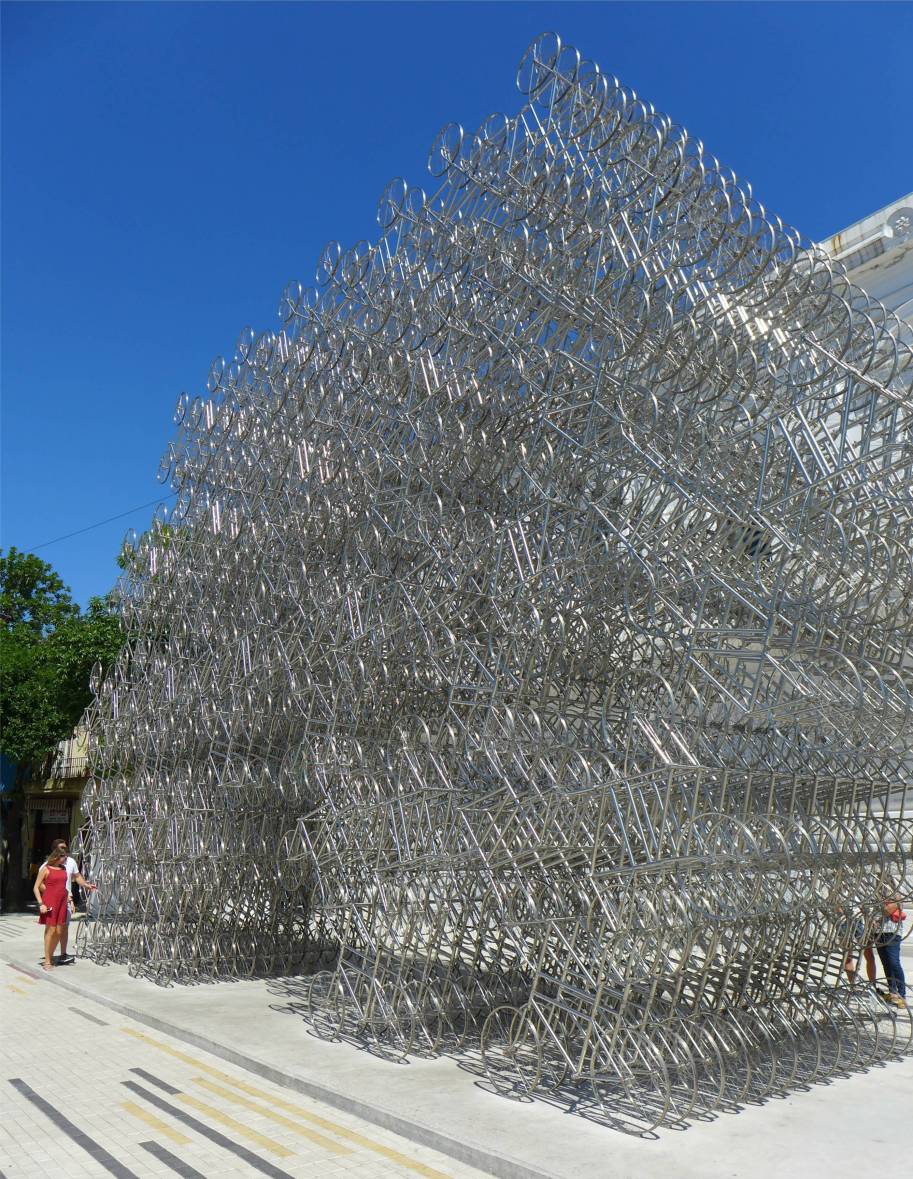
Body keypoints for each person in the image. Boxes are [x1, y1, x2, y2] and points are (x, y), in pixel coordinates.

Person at [47, 837, 97, 964]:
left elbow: (77, 876)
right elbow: (41, 884)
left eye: (65, 848)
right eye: (61, 848)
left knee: (63, 928)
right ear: (54, 850)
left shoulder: (71, 862)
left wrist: (86, 885)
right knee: (51, 929)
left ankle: (63, 954)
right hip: (53, 901)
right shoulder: (48, 864)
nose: (64, 850)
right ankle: (48, 957)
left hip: (66, 900)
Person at [33, 847, 70, 970]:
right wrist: (41, 904)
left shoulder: (63, 869)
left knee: (59, 931)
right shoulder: (46, 869)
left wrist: (69, 898)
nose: (66, 858)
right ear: (57, 857)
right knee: (51, 930)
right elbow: (36, 887)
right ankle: (47, 960)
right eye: (64, 856)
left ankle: (50, 955)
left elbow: (62, 886)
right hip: (50, 902)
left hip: (62, 902)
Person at [875, 895, 907, 1009]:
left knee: (894, 963)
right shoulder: (873, 891)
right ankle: (892, 992)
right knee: (886, 964)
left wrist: (878, 917)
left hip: (892, 931)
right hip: (877, 932)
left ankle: (902, 995)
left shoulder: (893, 889)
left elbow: (889, 909)